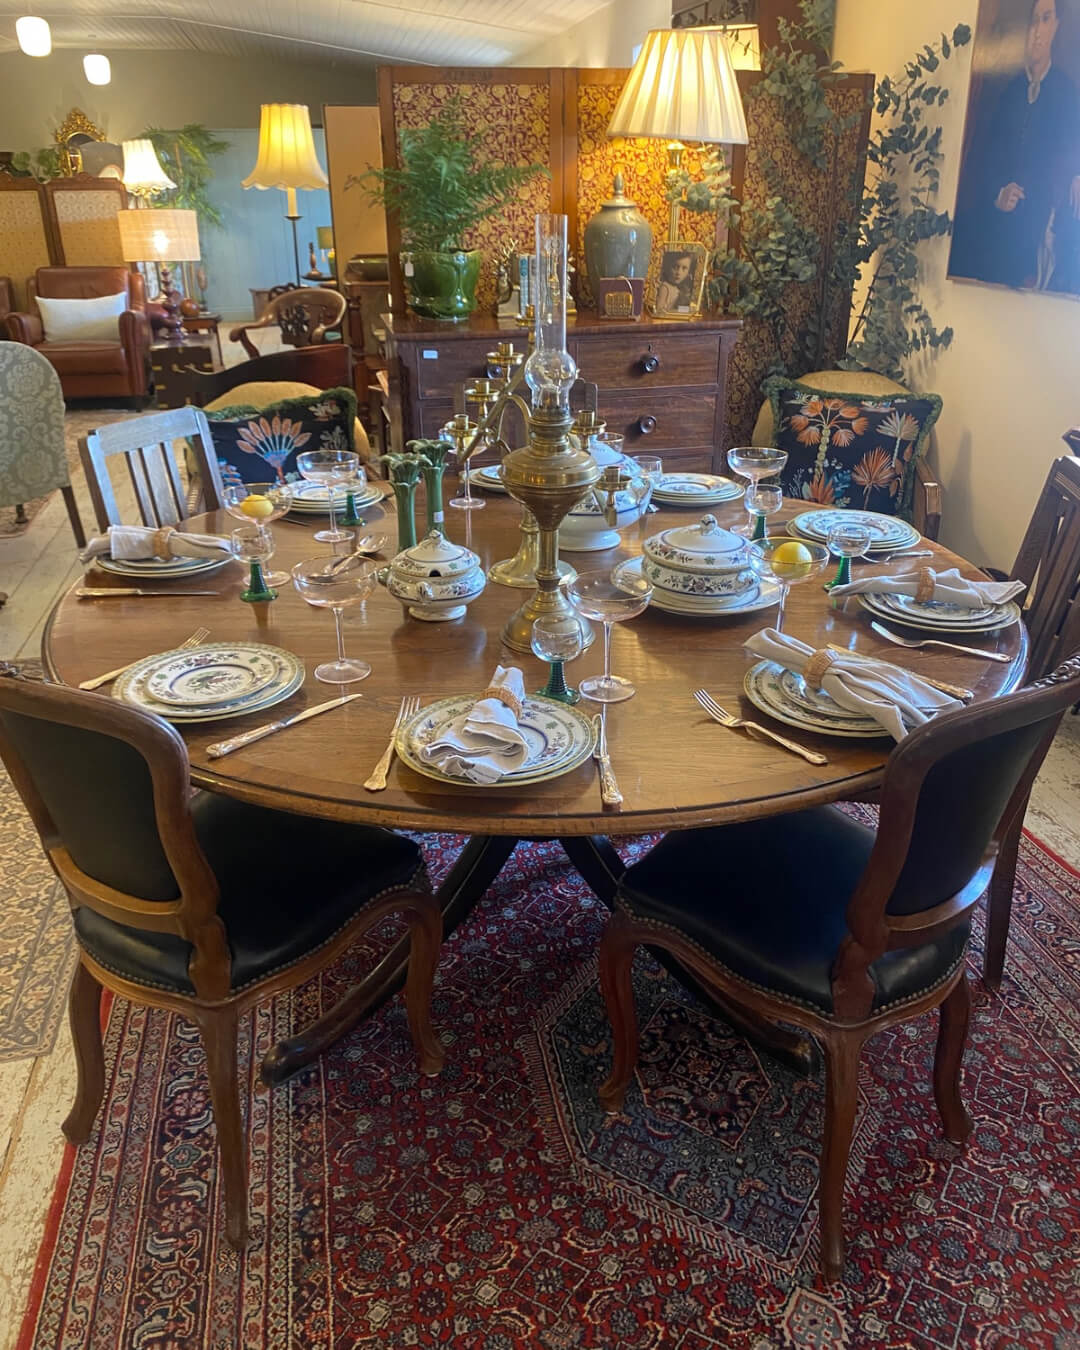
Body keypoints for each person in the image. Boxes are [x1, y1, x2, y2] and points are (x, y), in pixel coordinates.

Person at [950, 0, 1080, 291]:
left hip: (1042, 224)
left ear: (1057, 27)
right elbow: (987, 157)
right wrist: (999, 193)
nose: (1036, 31)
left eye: (1045, 20)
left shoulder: (1067, 92)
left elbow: (1071, 150)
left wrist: (1075, 176)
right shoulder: (1008, 91)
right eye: (1033, 21)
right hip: (1002, 226)